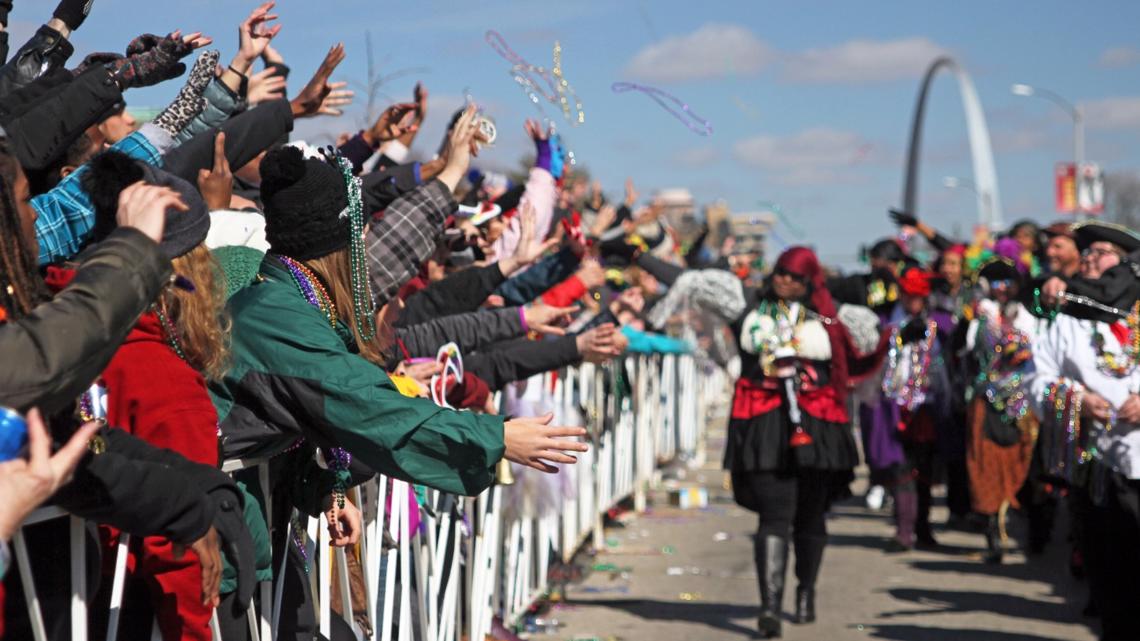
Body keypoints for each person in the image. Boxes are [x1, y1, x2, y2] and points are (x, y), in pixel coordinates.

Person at [209, 108, 588, 500]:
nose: (369, 232)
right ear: (336, 241)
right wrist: (496, 436)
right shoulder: (277, 314)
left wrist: (322, 492)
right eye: (362, 224)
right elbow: (368, 406)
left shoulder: (293, 298)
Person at [726, 247, 884, 638]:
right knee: (774, 515)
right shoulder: (752, 313)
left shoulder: (830, 319)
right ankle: (770, 608)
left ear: (810, 281)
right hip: (764, 423)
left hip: (817, 426)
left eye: (796, 277)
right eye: (781, 273)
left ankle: (806, 590)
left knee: (811, 516)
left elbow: (851, 366)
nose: (785, 281)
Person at [1027, 220, 1140, 641]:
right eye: (1087, 253)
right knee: (1109, 569)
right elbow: (1038, 380)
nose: (1092, 260)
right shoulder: (1066, 321)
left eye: (1103, 253)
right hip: (1095, 464)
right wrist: (1077, 399)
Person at [962, 259, 1039, 563]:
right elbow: (967, 350)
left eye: (1007, 283)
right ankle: (993, 533)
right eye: (995, 284)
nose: (1002, 290)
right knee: (985, 463)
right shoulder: (981, 318)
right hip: (986, 399)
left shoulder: (1029, 318)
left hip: (1022, 401)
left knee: (1023, 462)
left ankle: (1029, 533)